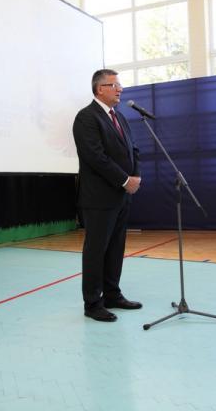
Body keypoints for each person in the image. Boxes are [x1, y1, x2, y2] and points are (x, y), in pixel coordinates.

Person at [72, 69, 142, 322]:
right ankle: (92, 303)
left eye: (119, 85)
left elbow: (133, 149)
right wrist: (124, 180)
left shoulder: (119, 117)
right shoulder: (86, 117)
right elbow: (95, 156)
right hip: (99, 198)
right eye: (114, 85)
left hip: (121, 195)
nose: (120, 89)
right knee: (96, 250)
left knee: (115, 248)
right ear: (100, 89)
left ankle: (112, 294)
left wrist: (135, 176)